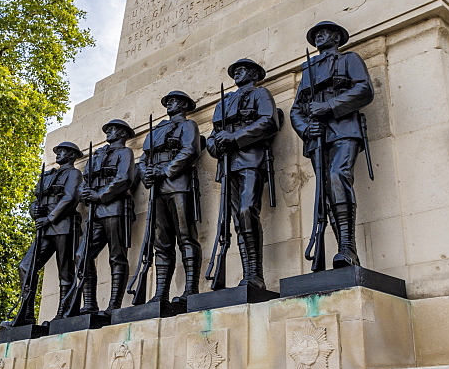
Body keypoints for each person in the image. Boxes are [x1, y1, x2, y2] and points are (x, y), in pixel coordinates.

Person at [290, 21, 374, 267]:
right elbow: (297, 109)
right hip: (317, 136)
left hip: (344, 128)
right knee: (326, 191)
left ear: (337, 37)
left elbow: (364, 89)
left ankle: (348, 247)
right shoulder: (308, 70)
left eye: (324, 33)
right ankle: (344, 252)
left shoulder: (349, 59)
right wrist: (306, 127)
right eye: (316, 35)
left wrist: (329, 107)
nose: (319, 37)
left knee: (338, 176)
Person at [206, 58, 279, 289]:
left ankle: (255, 274)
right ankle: (249, 275)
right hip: (228, 166)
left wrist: (235, 138)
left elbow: (269, 121)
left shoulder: (261, 94)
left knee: (248, 211)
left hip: (251, 160)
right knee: (238, 220)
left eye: (243, 70)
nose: (237, 73)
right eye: (235, 70)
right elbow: (211, 137)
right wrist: (218, 145)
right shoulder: (224, 102)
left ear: (254, 74)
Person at [139, 91, 202, 304]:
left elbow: (190, 150)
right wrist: (145, 174)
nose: (169, 104)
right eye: (168, 101)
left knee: (186, 236)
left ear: (184, 105)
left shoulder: (188, 126)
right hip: (156, 188)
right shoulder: (155, 131)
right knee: (161, 242)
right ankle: (160, 293)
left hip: (178, 184)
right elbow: (143, 159)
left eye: (174, 101)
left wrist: (165, 171)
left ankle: (191, 288)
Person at [14, 141, 83, 324]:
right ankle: (26, 313)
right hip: (44, 228)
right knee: (25, 266)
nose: (58, 154)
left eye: (63, 151)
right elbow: (36, 199)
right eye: (58, 151)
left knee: (65, 271)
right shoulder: (48, 175)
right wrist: (34, 210)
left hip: (63, 225)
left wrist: (50, 218)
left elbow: (70, 198)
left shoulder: (74, 174)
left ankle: (64, 310)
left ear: (72, 155)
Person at [78, 119, 136, 315]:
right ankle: (90, 304)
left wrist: (100, 195)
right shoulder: (97, 155)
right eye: (108, 128)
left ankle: (114, 305)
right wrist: (84, 194)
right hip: (94, 212)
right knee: (82, 256)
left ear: (122, 134)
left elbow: (124, 178)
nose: (109, 132)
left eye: (113, 129)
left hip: (114, 207)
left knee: (117, 256)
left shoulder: (125, 152)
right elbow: (84, 180)